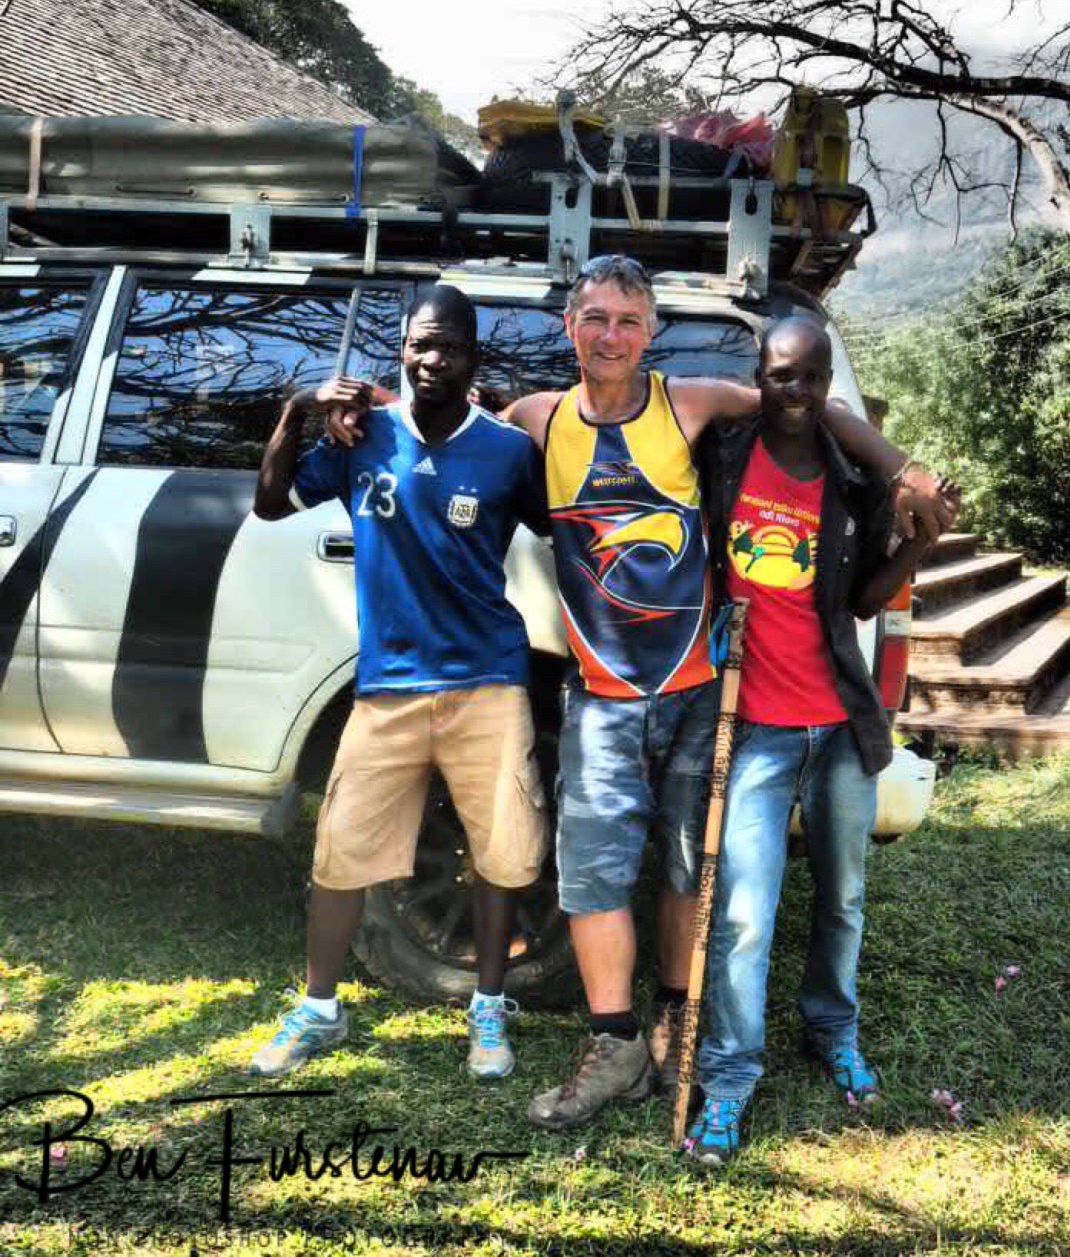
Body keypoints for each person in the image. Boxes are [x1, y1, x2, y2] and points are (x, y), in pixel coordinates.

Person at [492, 256, 957, 1130]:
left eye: (629, 320)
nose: (611, 336)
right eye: (594, 318)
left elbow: (818, 410)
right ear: (568, 327)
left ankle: (676, 1016)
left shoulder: (691, 403)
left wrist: (904, 474)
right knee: (592, 876)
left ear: (650, 330)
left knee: (684, 864)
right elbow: (450, 445)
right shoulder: (536, 419)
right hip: (600, 694)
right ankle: (614, 1044)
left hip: (702, 689)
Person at [250, 284, 550, 1081]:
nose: (431, 358)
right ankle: (319, 1009)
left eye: (448, 346)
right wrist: (296, 411)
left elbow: (560, 521)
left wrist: (525, 413)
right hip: (387, 686)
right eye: (420, 344)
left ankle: (488, 1013)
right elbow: (272, 503)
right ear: (402, 351)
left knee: (501, 851)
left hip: (487, 679)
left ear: (471, 358)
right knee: (340, 852)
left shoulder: (507, 451)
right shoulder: (362, 437)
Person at [684, 316, 944, 1165]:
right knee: (746, 914)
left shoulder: (847, 480)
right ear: (759, 376)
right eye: (778, 376)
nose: (792, 393)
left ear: (827, 383)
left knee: (842, 899)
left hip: (836, 728)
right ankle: (727, 1078)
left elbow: (866, 603)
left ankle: (831, 1029)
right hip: (751, 726)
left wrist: (917, 547)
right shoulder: (723, 457)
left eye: (809, 379)